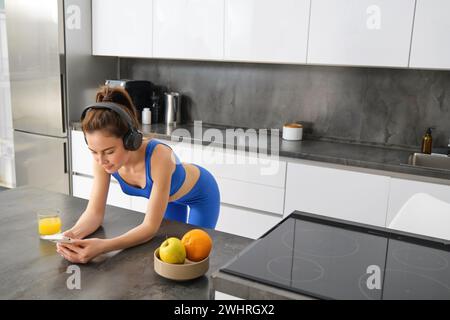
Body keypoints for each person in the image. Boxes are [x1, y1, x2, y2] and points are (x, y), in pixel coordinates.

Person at [57, 86, 220, 264]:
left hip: (201, 195)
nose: (101, 160)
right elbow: (94, 213)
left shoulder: (160, 157)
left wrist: (104, 246)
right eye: (93, 152)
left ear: (130, 140)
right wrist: (72, 235)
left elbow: (149, 227)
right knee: (170, 257)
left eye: (109, 151)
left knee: (192, 257)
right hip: (170, 199)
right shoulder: (102, 161)